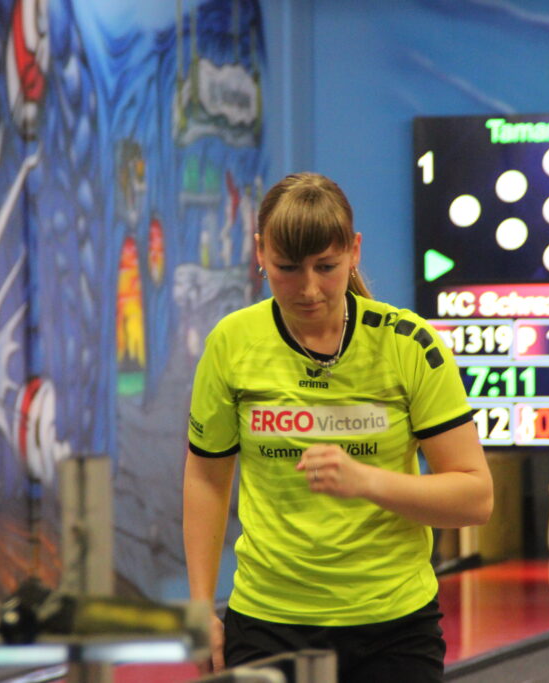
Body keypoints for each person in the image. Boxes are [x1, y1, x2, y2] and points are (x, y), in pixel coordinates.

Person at [183, 172, 493, 681]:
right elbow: (206, 477)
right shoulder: (231, 344)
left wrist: (366, 480)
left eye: (326, 267)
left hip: (394, 627)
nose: (308, 289)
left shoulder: (409, 345)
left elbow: (475, 499)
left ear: (354, 251)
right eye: (287, 268)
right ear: (260, 253)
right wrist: (200, 606)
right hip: (268, 623)